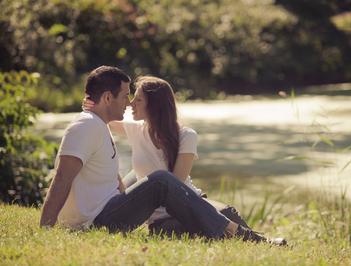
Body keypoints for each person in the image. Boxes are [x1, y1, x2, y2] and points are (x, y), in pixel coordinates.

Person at [39, 65, 285, 245]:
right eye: (125, 96)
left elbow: (104, 175)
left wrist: (120, 185)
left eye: (133, 98)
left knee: (225, 211)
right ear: (106, 98)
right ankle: (244, 236)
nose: (127, 103)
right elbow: (62, 178)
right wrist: (45, 229)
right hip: (98, 220)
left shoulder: (98, 126)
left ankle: (247, 237)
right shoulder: (87, 126)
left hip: (107, 212)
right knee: (161, 180)